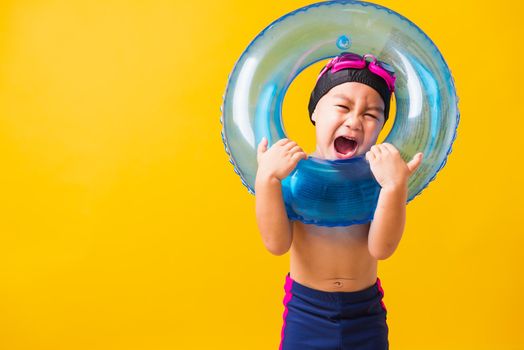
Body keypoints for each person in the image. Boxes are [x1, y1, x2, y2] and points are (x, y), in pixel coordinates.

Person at [255, 52, 424, 349]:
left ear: (383, 126)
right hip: (306, 312)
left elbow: (381, 248)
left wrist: (394, 187)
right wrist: (267, 179)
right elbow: (276, 244)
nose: (355, 121)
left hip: (365, 313)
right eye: (342, 106)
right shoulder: (295, 174)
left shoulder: (376, 179)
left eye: (371, 114)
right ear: (315, 112)